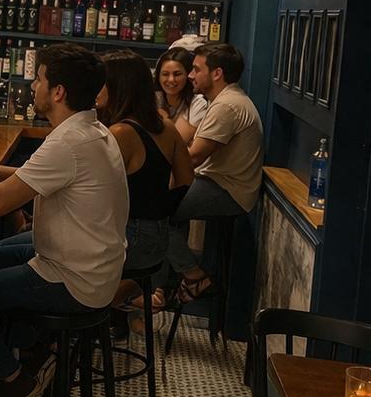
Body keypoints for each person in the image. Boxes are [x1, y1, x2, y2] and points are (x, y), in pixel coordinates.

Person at [0, 43, 129, 397]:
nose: (32, 85)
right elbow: (58, 178)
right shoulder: (92, 130)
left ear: (58, 92)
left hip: (75, 279)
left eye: (38, 78)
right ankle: (32, 346)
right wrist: (1, 171)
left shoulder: (67, 142)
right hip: (94, 263)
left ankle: (12, 377)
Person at [99, 50, 194, 324]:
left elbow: (90, 187)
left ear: (119, 86)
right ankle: (119, 302)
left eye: (101, 81)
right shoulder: (166, 126)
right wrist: (159, 210)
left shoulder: (121, 133)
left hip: (131, 241)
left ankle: (106, 306)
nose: (95, 87)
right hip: (157, 238)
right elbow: (187, 178)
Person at [166, 42, 263, 303]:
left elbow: (195, 156)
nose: (190, 75)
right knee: (161, 209)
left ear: (217, 73)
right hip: (218, 182)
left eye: (196, 69)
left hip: (227, 189)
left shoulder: (227, 106)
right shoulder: (223, 101)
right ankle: (173, 282)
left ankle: (194, 277)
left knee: (155, 213)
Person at [155, 46, 209, 145]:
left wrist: (165, 120)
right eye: (165, 74)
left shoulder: (198, 104)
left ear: (189, 75)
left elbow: (175, 144)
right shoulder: (153, 100)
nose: (171, 80)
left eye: (177, 74)